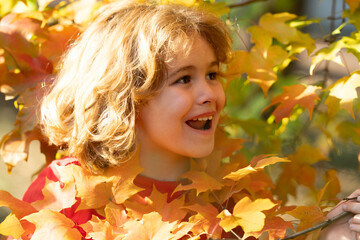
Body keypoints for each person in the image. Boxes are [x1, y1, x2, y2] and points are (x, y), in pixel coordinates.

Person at [7, 1, 360, 239]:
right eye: (184, 79)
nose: (209, 93)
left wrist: (331, 232)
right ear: (125, 95)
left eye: (212, 75)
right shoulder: (66, 191)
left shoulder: (225, 194)